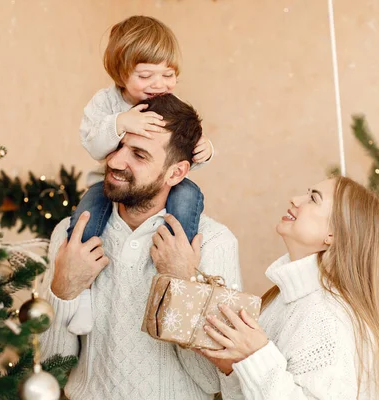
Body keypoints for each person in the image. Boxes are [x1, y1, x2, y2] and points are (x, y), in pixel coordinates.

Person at [38, 94, 241, 399]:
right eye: (118, 146)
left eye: (139, 154)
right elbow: (49, 366)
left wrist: (184, 284)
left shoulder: (214, 243)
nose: (115, 161)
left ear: (176, 173)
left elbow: (213, 381)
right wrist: (62, 289)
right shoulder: (70, 236)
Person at [66, 15, 214, 335]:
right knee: (87, 211)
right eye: (146, 75)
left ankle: (178, 274)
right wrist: (120, 123)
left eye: (168, 74)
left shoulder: (168, 104)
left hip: (162, 180)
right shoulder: (105, 102)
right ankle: (84, 293)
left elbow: (180, 150)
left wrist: (204, 149)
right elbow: (92, 143)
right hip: (112, 182)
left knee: (188, 195)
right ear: (122, 73)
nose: (158, 84)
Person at [201, 176, 379, 400]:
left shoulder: (331, 321)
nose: (295, 200)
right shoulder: (282, 298)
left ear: (333, 234)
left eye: (313, 199)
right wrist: (233, 367)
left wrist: (256, 356)